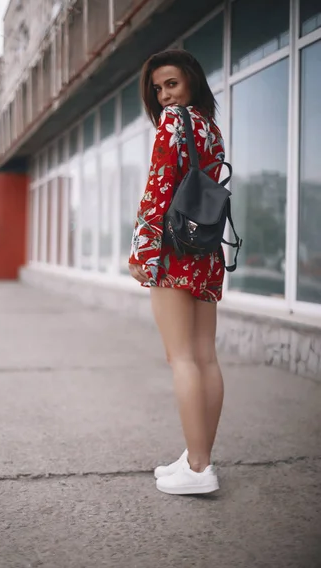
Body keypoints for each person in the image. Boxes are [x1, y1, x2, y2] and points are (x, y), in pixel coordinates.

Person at [129, 50, 226, 495]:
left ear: (192, 80)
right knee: (205, 356)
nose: (164, 95)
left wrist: (142, 252)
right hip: (206, 251)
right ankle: (196, 456)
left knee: (182, 358)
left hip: (172, 252)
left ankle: (199, 467)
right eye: (158, 88)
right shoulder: (211, 126)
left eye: (171, 84)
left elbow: (158, 187)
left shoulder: (173, 123)